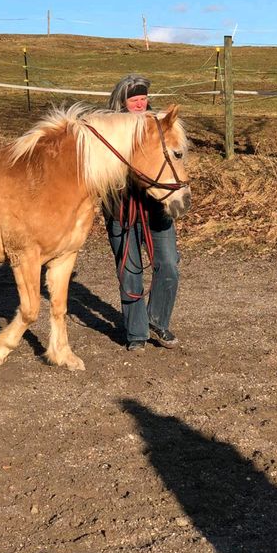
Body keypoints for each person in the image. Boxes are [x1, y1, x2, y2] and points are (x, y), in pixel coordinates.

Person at [105, 74, 180, 351]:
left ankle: (157, 322)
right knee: (129, 271)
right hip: (121, 210)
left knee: (169, 265)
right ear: (122, 102)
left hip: (156, 209)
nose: (140, 103)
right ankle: (136, 334)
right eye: (134, 99)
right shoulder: (110, 130)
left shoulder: (157, 127)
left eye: (143, 98)